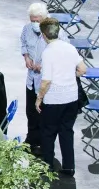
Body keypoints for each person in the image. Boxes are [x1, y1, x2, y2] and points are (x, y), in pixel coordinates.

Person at [33, 17, 87, 176]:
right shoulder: (70, 48)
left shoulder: (48, 52)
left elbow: (46, 81)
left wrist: (39, 98)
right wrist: (70, 76)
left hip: (54, 100)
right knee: (66, 131)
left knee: (48, 132)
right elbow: (83, 69)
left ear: (44, 35)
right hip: (71, 98)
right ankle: (69, 167)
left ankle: (48, 165)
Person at [19, 1, 48, 141]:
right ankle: (31, 139)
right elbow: (23, 43)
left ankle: (43, 142)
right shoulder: (27, 29)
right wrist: (26, 57)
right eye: (32, 21)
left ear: (44, 18)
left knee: (42, 112)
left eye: (37, 21)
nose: (34, 23)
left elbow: (61, 54)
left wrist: (42, 66)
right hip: (31, 79)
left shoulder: (54, 33)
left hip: (45, 81)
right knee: (30, 111)